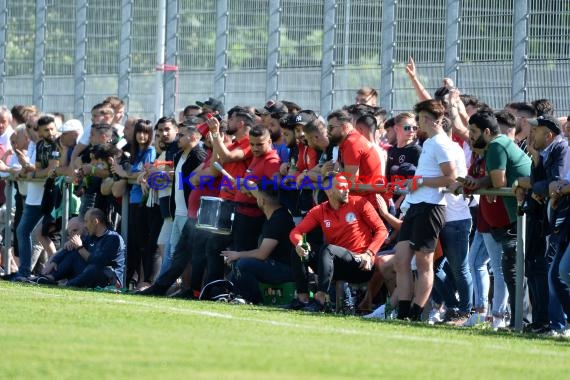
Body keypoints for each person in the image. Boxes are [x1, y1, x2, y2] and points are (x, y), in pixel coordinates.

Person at [463, 110, 532, 328]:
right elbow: (494, 180)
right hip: (520, 214)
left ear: (486, 131)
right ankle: (519, 319)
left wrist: (488, 184)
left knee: (516, 270)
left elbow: (499, 181)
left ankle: (521, 320)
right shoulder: (499, 142)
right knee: (513, 268)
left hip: (522, 215)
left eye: (473, 132)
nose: (470, 136)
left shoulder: (495, 146)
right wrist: (482, 184)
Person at [393, 99, 457, 321]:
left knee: (423, 263)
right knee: (401, 259)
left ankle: (415, 313)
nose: (416, 123)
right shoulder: (430, 142)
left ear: (427, 119)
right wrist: (413, 185)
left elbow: (450, 177)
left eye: (418, 118)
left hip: (431, 207)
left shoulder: (440, 143)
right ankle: (402, 312)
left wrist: (419, 182)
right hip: (416, 205)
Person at [289, 175, 388, 312]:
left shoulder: (360, 203)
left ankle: (320, 300)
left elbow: (382, 230)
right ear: (329, 191)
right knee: (298, 250)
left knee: (328, 249)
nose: (347, 190)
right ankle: (302, 299)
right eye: (341, 187)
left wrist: (369, 253)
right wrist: (300, 244)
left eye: (347, 186)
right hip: (333, 265)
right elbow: (296, 232)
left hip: (360, 263)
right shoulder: (320, 210)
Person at [513, 115, 568, 333]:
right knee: (537, 269)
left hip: (556, 220)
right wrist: (524, 181)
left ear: (549, 135)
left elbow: (554, 184)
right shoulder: (542, 153)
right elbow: (540, 184)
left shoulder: (560, 149)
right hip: (543, 218)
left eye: (535, 130)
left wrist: (530, 185)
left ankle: (553, 323)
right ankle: (541, 322)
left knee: (552, 273)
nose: (530, 133)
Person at [222, 185, 295, 304]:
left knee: (243, 263)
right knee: (237, 267)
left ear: (262, 200)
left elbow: (262, 254)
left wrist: (238, 254)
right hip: (276, 265)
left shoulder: (278, 219)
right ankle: (235, 295)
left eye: (257, 197)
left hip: (285, 269)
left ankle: (252, 299)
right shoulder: (275, 215)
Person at [35, 208, 125, 288]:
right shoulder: (91, 236)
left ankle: (66, 285)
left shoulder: (113, 238)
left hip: (109, 279)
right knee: (74, 254)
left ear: (95, 221)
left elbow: (98, 263)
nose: (85, 225)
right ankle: (49, 278)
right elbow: (70, 248)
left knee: (93, 268)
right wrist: (55, 261)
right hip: (90, 273)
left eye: (86, 221)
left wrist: (80, 247)